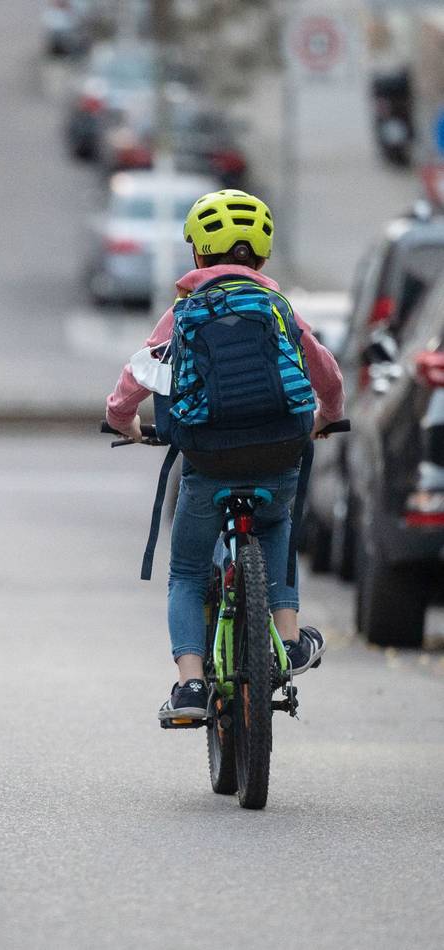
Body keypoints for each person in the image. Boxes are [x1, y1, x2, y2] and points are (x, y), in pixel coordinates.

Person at [105, 189, 346, 721]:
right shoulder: (279, 307)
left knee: (188, 572)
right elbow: (325, 370)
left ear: (198, 254)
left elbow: (134, 378)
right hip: (282, 447)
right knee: (276, 526)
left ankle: (190, 686)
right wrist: (328, 416)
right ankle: (290, 640)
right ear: (261, 256)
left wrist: (124, 422)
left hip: (209, 461)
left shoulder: (184, 311)